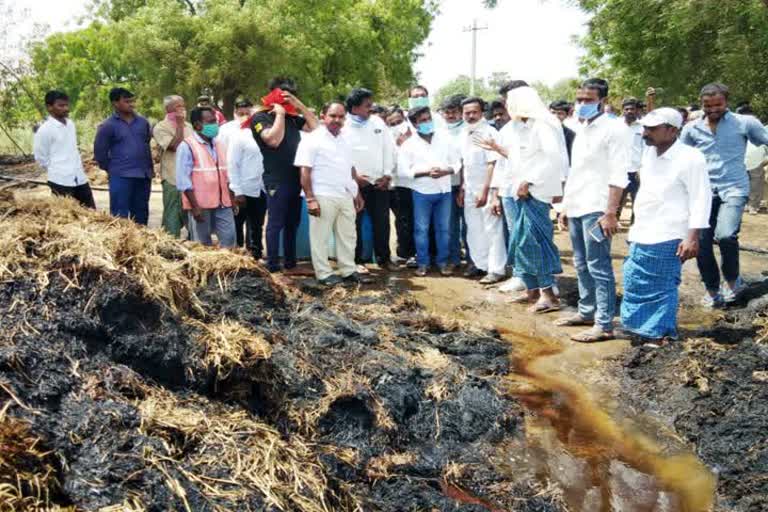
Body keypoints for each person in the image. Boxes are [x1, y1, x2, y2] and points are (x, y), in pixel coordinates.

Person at [621, 108, 711, 343]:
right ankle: (637, 328)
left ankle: (658, 333)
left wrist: (692, 237)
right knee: (634, 280)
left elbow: (701, 198)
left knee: (660, 286)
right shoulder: (649, 154)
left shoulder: (691, 158)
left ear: (672, 130)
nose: (645, 133)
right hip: (643, 230)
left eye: (652, 129)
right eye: (645, 128)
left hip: (669, 232)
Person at [557, 78, 632, 342]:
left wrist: (611, 212)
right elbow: (576, 173)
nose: (582, 104)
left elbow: (619, 174)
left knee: (598, 265)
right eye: (579, 99)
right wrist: (565, 206)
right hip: (578, 205)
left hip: (598, 208)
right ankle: (586, 311)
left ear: (603, 101)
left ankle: (604, 324)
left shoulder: (615, 129)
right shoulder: (582, 130)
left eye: (588, 100)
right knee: (580, 263)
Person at [681, 83, 768, 305]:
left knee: (726, 234)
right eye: (707, 105)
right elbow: (680, 157)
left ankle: (732, 281)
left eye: (717, 104)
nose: (712, 109)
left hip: (734, 188)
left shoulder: (744, 123)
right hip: (703, 192)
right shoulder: (691, 129)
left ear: (726, 102)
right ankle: (711, 290)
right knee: (701, 241)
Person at [488, 87, 567, 312]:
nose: (508, 107)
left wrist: (528, 181)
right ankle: (532, 290)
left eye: (511, 102)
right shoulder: (524, 126)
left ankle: (549, 295)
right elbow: (522, 158)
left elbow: (553, 158)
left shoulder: (544, 124)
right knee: (521, 242)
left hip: (537, 191)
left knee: (535, 243)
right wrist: (499, 149)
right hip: (521, 191)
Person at [250, 77, 319, 272]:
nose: (284, 100)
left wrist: (298, 105)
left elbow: (316, 128)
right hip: (276, 180)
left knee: (292, 223)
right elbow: (273, 140)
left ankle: (290, 263)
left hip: (295, 179)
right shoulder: (260, 117)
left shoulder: (292, 117)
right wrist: (279, 114)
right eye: (281, 95)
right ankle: (273, 265)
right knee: (275, 223)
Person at [295, 102, 366, 285]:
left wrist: (356, 193)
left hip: (345, 194)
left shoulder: (346, 139)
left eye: (341, 117)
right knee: (321, 236)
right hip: (322, 194)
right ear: (323, 115)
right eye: (333, 116)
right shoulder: (312, 139)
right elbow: (305, 171)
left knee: (348, 235)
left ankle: (348, 270)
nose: (337, 120)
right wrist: (310, 198)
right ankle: (324, 273)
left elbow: (350, 168)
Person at [398, 106, 460, 276]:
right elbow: (403, 171)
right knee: (421, 229)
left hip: (444, 190)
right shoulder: (409, 145)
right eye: (422, 121)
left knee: (444, 229)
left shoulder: (444, 138)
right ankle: (423, 263)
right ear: (415, 124)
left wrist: (446, 171)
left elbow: (456, 163)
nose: (427, 123)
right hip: (422, 192)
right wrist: (426, 172)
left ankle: (442, 262)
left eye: (428, 119)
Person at [341, 88, 397, 272]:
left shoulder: (378, 122)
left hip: (379, 184)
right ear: (355, 108)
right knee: (353, 224)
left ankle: (384, 259)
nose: (370, 109)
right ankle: (356, 261)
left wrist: (387, 175)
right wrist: (354, 178)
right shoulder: (343, 126)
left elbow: (390, 150)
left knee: (382, 223)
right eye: (367, 106)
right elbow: (340, 156)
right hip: (353, 185)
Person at [458, 97, 506, 283]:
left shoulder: (489, 132)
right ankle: (480, 265)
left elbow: (492, 164)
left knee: (492, 229)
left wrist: (486, 191)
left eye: (474, 112)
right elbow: (465, 164)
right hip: (469, 189)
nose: (470, 116)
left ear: (481, 113)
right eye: (467, 112)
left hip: (487, 188)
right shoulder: (464, 133)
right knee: (474, 229)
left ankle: (496, 269)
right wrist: (462, 188)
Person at [175, 107, 236, 247]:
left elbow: (226, 173)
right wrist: (195, 207)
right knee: (202, 245)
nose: (215, 124)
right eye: (211, 121)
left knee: (229, 240)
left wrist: (231, 199)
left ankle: (227, 269)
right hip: (201, 205)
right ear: (197, 125)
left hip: (223, 203)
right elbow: (183, 180)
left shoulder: (219, 144)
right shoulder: (187, 146)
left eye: (215, 121)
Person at [94, 87, 153, 225]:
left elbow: (146, 142)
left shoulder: (143, 122)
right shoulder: (108, 125)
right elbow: (100, 152)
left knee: (141, 213)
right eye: (127, 101)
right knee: (120, 215)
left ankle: (141, 242)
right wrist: (113, 169)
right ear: (115, 103)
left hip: (143, 175)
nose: (131, 104)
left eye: (132, 101)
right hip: (120, 176)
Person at [33, 90, 95, 209]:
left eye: (66, 105)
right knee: (65, 218)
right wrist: (57, 168)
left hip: (79, 177)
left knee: (91, 212)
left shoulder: (70, 124)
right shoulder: (45, 130)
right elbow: (40, 157)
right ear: (49, 107)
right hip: (60, 180)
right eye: (61, 105)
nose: (66, 108)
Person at [228, 110, 268, 260]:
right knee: (238, 224)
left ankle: (255, 255)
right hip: (243, 189)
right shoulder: (241, 136)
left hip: (262, 188)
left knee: (257, 225)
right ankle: (236, 256)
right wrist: (237, 190)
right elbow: (232, 164)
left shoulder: (269, 136)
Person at [152, 95, 193, 237]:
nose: (182, 109)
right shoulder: (161, 127)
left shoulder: (190, 127)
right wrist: (180, 125)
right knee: (172, 218)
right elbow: (175, 146)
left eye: (183, 106)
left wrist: (183, 124)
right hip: (172, 178)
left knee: (192, 218)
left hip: (191, 179)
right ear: (168, 109)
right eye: (178, 107)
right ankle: (170, 249)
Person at [440, 94, 469, 269]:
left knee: (468, 224)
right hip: (444, 185)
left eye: (454, 112)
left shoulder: (467, 130)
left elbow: (466, 161)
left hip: (464, 184)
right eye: (447, 112)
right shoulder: (438, 130)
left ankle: (473, 260)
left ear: (460, 112)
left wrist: (463, 186)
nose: (450, 116)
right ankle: (454, 259)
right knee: (450, 226)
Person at [385, 106, 417, 267]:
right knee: (401, 220)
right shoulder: (387, 138)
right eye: (392, 123)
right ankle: (404, 252)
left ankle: (413, 252)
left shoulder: (415, 135)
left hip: (413, 184)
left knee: (411, 219)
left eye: (399, 121)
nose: (396, 125)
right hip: (393, 185)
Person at [735, 104, 768, 215]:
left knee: (755, 182)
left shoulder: (752, 124)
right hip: (745, 157)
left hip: (755, 157)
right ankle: (749, 205)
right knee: (751, 182)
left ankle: (753, 205)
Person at [618, 97, 643, 223]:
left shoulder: (643, 127)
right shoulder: (615, 126)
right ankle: (614, 222)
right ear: (623, 110)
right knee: (617, 200)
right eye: (626, 109)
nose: (629, 111)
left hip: (637, 171)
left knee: (637, 200)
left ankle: (635, 225)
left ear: (636, 110)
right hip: (619, 169)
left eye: (632, 109)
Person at [549, 100, 576, 165]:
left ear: (566, 115)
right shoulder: (539, 130)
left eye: (560, 113)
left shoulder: (570, 135)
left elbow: (570, 159)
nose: (555, 116)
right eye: (553, 112)